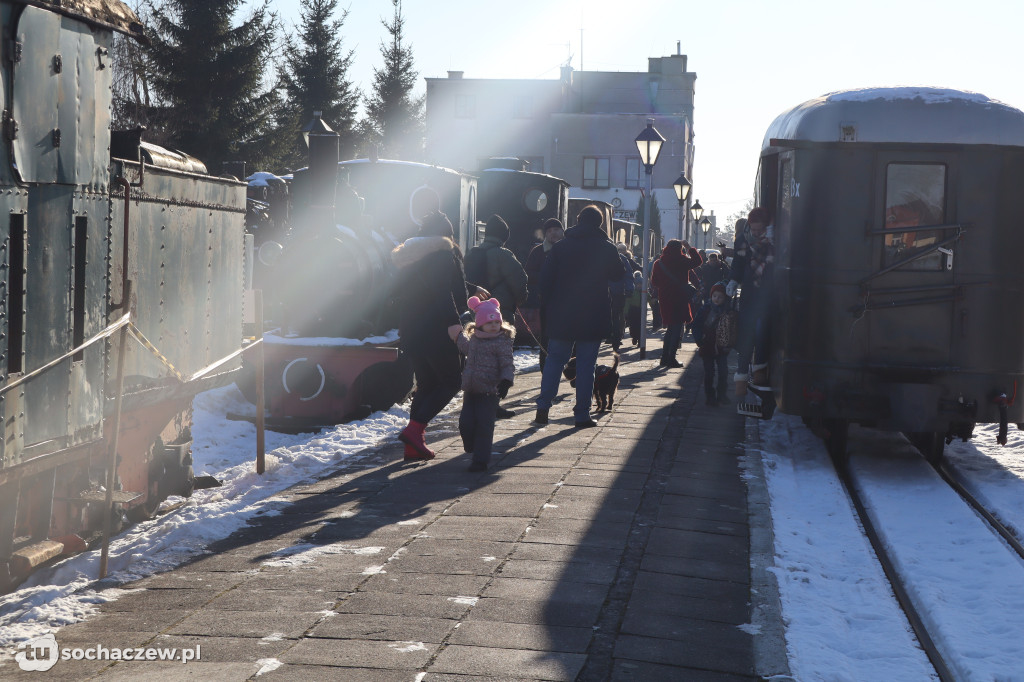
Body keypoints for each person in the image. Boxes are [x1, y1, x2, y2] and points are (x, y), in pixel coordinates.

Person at [534, 205, 626, 427]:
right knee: (586, 364)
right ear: (600, 223)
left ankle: (543, 407)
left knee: (555, 360)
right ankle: (582, 414)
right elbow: (618, 274)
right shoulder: (607, 248)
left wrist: (549, 307)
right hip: (593, 314)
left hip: (562, 313)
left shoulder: (560, 247)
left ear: (578, 220)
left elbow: (544, 282)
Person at [390, 211, 469, 461]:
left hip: (413, 330)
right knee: (451, 381)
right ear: (445, 234)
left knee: (427, 385)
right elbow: (442, 292)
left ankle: (413, 446)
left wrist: (473, 288)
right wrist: (453, 324)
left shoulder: (410, 258)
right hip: (436, 329)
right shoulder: (443, 254)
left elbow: (420, 289)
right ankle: (414, 431)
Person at [464, 214, 529, 418]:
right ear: (504, 236)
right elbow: (520, 281)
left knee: (477, 359)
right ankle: (493, 403)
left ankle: (475, 401)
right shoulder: (503, 255)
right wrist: (520, 300)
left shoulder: (472, 253)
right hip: (498, 314)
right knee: (500, 359)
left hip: (476, 313)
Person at [450, 296, 515, 472]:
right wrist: (457, 335)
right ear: (479, 324)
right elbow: (464, 346)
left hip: (490, 391)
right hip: (470, 391)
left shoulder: (501, 342)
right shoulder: (475, 341)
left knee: (484, 427)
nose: (494, 326)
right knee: (465, 423)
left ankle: (480, 460)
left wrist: (506, 381)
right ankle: (471, 446)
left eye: (496, 322)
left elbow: (507, 364)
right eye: (489, 322)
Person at [726, 207, 775, 410]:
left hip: (768, 296)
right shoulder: (743, 240)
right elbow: (738, 263)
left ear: (766, 227)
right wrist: (733, 281)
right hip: (749, 295)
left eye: (759, 230)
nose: (755, 233)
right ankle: (741, 380)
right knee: (745, 335)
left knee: (763, 333)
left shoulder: (774, 240)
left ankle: (760, 373)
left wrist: (774, 242)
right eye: (753, 229)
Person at [650, 239, 703, 368]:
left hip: (665, 298)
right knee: (677, 327)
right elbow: (698, 261)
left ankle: (664, 357)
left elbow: (654, 282)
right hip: (680, 297)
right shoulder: (682, 261)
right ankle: (671, 358)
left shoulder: (658, 263)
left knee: (670, 328)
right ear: (680, 248)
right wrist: (689, 247)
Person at [524, 218, 564, 370]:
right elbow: (528, 274)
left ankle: (571, 370)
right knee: (546, 337)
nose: (553, 233)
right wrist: (546, 276)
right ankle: (545, 370)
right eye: (549, 231)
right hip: (547, 302)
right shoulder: (538, 252)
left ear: (562, 231)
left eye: (556, 229)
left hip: (570, 301)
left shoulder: (570, 248)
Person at [692, 282, 734, 406]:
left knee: (723, 371)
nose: (717, 299)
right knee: (709, 372)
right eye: (714, 296)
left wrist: (731, 343)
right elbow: (697, 325)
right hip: (707, 345)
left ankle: (722, 394)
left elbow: (732, 328)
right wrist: (699, 339)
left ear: (725, 298)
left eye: (720, 296)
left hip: (722, 346)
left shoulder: (728, 311)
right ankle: (710, 396)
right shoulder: (705, 309)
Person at [607, 250, 635, 351]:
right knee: (616, 317)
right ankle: (616, 342)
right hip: (618, 292)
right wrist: (629, 289)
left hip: (602, 292)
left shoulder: (597, 255)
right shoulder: (621, 258)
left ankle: (610, 337)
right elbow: (628, 275)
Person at [625, 270, 645, 346]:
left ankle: (640, 340)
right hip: (633, 311)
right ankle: (634, 337)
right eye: (638, 284)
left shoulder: (644, 291)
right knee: (633, 326)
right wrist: (626, 312)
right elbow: (628, 302)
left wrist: (652, 302)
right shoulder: (632, 292)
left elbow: (648, 298)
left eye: (641, 284)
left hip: (641, 311)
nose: (639, 286)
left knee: (641, 326)